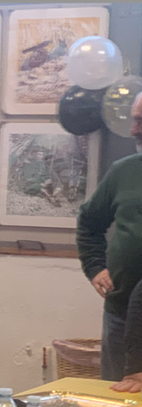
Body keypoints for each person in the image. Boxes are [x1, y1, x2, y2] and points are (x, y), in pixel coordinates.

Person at [76, 92, 142, 382]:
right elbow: (89, 221)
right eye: (134, 120)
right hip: (121, 311)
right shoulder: (123, 171)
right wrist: (94, 266)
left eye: (141, 121)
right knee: (114, 398)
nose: (134, 130)